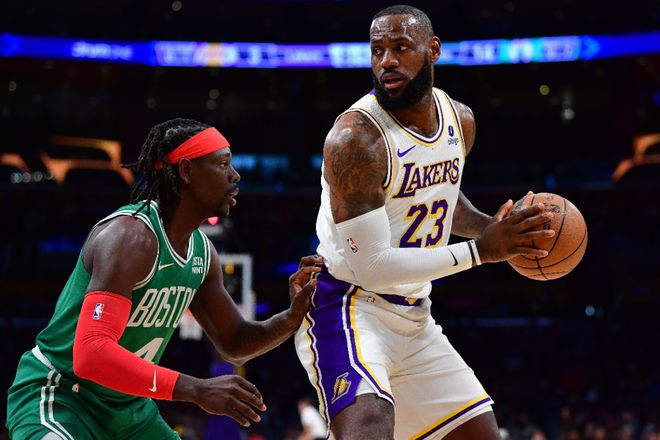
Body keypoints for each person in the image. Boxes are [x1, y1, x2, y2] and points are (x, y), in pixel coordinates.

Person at [294, 5, 555, 440]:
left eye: (401, 47)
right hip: (349, 306)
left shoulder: (460, 121)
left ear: (433, 50)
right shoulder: (356, 139)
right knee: (370, 430)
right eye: (377, 50)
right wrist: (482, 250)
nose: (387, 61)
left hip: (415, 315)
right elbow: (372, 266)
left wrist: (496, 230)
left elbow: (440, 199)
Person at [6, 117, 322, 440]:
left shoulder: (203, 254)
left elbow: (235, 342)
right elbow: (91, 354)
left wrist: (291, 317)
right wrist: (196, 389)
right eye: (223, 163)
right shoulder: (130, 238)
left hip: (130, 411)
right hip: (64, 396)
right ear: (186, 171)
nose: (235, 174)